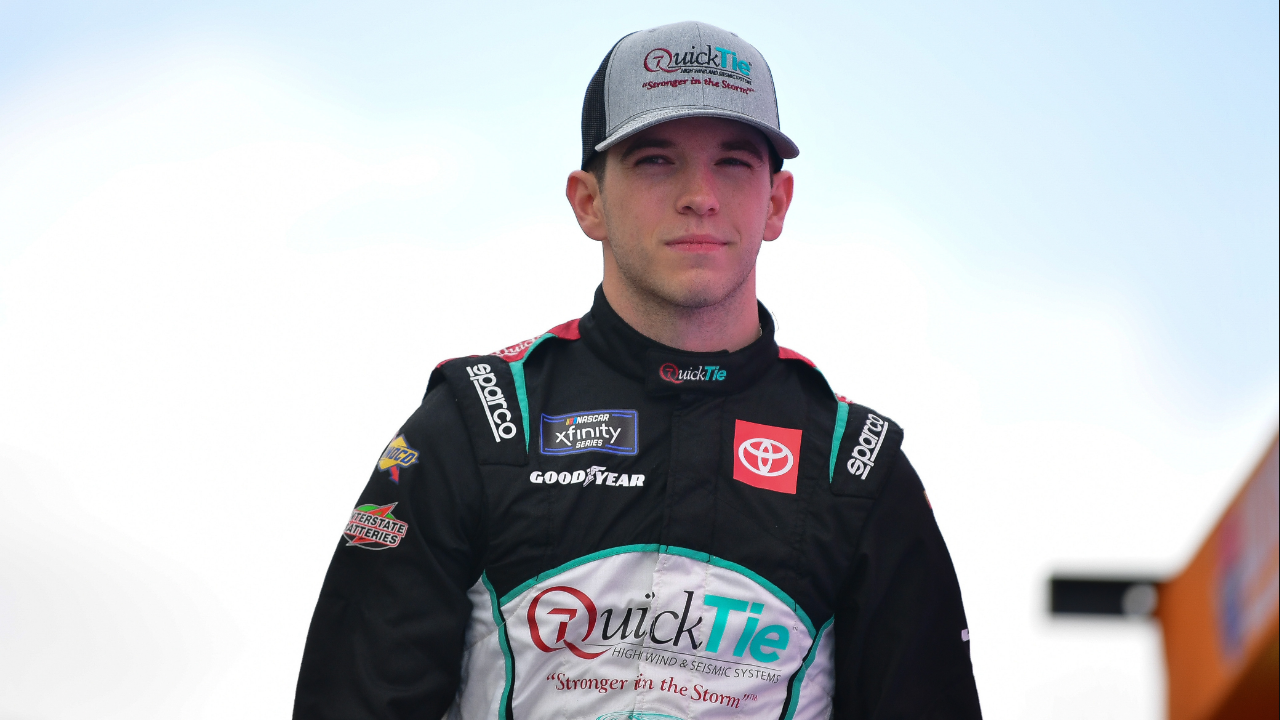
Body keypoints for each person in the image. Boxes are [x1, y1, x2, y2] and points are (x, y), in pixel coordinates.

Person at [293, 20, 982, 720]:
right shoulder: (479, 423)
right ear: (588, 201)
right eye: (656, 160)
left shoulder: (856, 466)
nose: (699, 195)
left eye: (734, 162)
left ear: (776, 203)